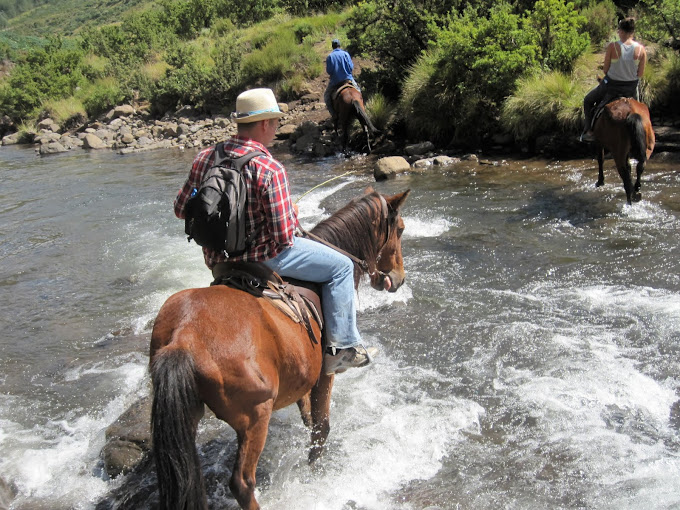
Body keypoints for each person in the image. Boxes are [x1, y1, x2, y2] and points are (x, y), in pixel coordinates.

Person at [174, 88, 376, 375]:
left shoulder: (205, 158)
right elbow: (283, 237)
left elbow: (181, 209)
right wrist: (291, 214)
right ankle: (342, 349)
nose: (276, 129)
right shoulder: (270, 168)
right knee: (342, 267)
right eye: (276, 123)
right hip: (265, 260)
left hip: (218, 261)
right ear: (265, 124)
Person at [581, 17, 647, 142]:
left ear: (621, 31)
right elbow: (640, 73)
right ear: (632, 32)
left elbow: (605, 70)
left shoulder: (613, 47)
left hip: (612, 87)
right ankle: (643, 134)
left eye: (618, 31)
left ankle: (588, 131)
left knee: (588, 100)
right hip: (631, 89)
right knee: (640, 113)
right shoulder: (641, 49)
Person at [324, 39, 360, 121]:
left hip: (335, 81)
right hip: (348, 79)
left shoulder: (330, 57)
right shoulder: (346, 54)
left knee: (326, 96)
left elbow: (329, 71)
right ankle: (362, 108)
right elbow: (351, 67)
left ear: (332, 47)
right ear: (340, 45)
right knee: (358, 91)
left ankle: (334, 115)